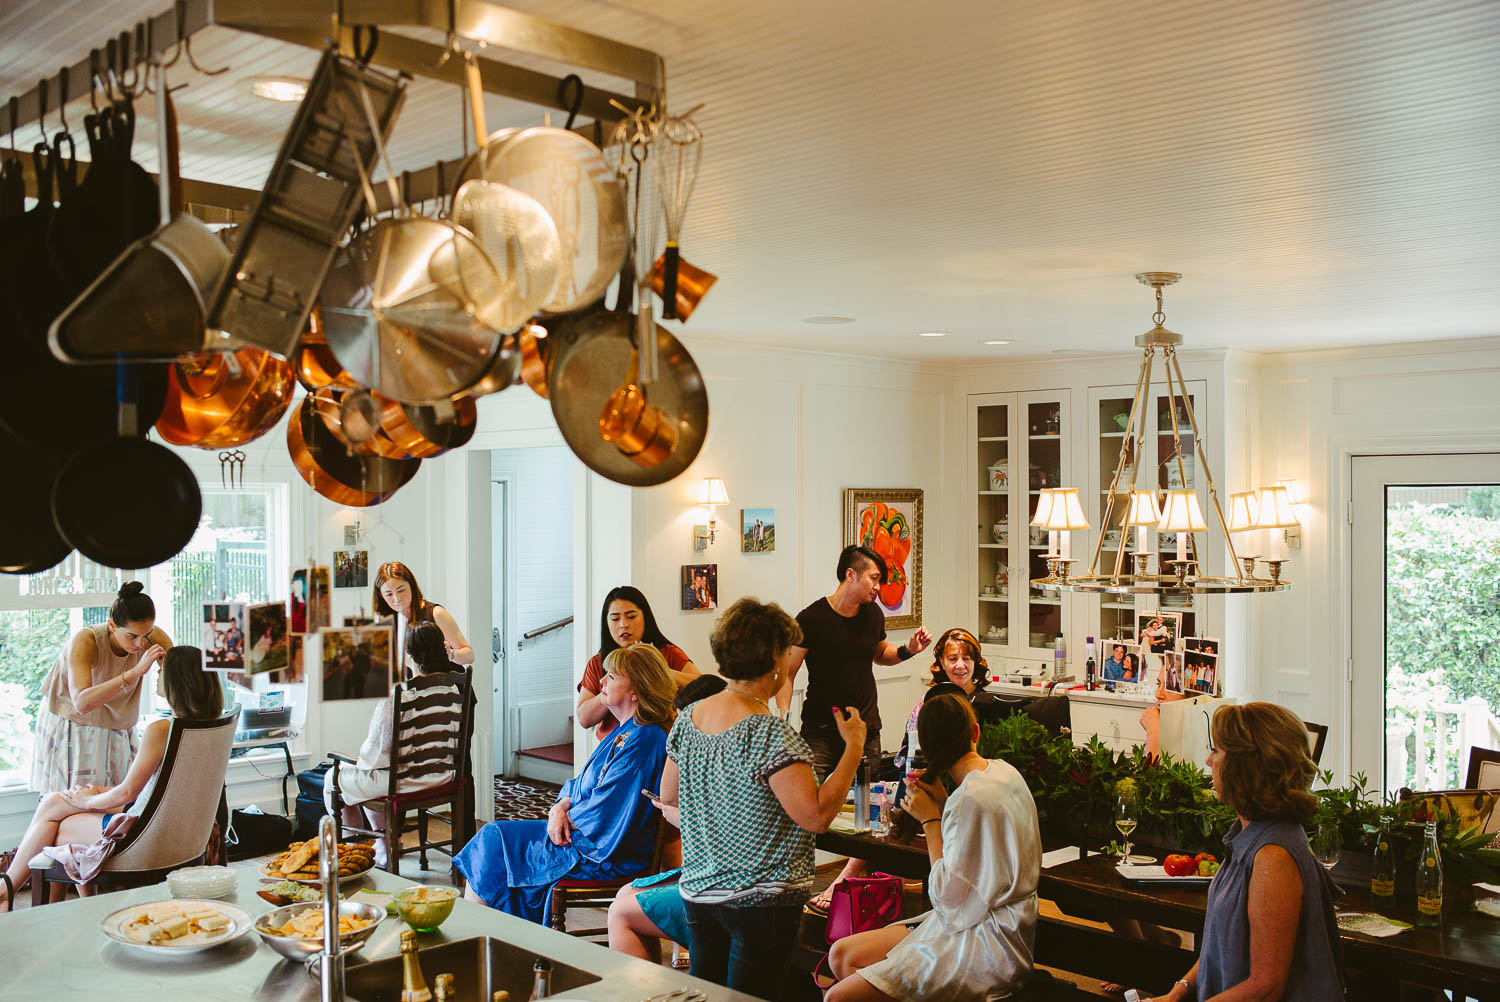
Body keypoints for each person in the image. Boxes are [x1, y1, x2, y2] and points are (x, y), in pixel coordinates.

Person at [660, 597, 867, 1001]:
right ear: (775, 657)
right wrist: (854, 748)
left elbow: (669, 796)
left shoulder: (689, 719)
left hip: (701, 893)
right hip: (760, 901)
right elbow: (817, 816)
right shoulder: (769, 734)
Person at [825, 693, 1041, 1002]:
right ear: (976, 733)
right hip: (987, 928)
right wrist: (942, 802)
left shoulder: (969, 799)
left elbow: (945, 900)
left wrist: (931, 821)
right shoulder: (1004, 773)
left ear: (926, 747)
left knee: (838, 997)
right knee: (841, 955)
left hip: (983, 946)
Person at [1134, 702, 1343, 1002]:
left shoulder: (1274, 856)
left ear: (1245, 766)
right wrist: (1177, 993)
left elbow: (1266, 987)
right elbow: (1217, 948)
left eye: (1217, 751)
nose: (1208, 761)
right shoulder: (1248, 834)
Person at [457, 643, 675, 922]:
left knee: (495, 839)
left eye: (612, 676)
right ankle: (486, 936)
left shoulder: (645, 739)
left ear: (637, 689)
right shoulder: (624, 730)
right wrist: (559, 806)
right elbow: (581, 782)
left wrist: (564, 819)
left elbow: (606, 813)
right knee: (494, 838)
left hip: (603, 852)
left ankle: (482, 935)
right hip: (585, 834)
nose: (601, 681)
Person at [3, 646, 222, 906]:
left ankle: (11, 892)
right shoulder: (213, 727)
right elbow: (155, 791)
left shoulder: (163, 730)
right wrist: (95, 791)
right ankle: (18, 892)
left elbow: (130, 792)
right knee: (55, 802)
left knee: (60, 825)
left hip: (145, 836)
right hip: (178, 829)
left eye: (162, 671)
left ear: (178, 682)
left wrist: (86, 802)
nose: (157, 676)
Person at [779, 544, 932, 911]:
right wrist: (782, 717)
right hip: (820, 731)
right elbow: (787, 671)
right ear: (851, 574)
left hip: (866, 731)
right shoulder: (811, 619)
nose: (878, 587)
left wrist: (909, 649)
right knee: (806, 810)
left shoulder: (871, 614)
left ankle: (850, 896)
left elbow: (881, 654)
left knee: (865, 815)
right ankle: (790, 885)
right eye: (874, 578)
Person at [607, 673, 728, 964]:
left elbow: (713, 831)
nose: (682, 730)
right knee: (626, 891)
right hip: (710, 872)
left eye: (686, 722)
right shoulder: (706, 760)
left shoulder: (724, 760)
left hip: (724, 886)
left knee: (621, 911)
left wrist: (671, 810)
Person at [325, 622, 466, 867]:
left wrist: (360, 760)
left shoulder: (401, 693)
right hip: (443, 778)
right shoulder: (454, 688)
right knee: (367, 778)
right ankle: (384, 843)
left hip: (403, 783)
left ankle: (356, 854)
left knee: (333, 778)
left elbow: (377, 754)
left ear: (408, 654)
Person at [29, 583, 173, 795]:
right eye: (132, 636)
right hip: (75, 721)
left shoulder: (151, 637)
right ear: (112, 626)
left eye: (147, 633)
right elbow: (82, 703)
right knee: (74, 798)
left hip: (118, 721)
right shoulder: (86, 641)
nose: (140, 643)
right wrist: (135, 672)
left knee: (118, 797)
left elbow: (181, 681)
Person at [577, 586, 700, 740]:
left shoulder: (668, 653)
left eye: (631, 616)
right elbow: (584, 718)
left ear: (645, 617)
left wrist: (657, 669)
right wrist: (611, 689)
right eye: (615, 619)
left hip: (662, 743)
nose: (623, 625)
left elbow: (702, 685)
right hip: (616, 748)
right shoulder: (597, 663)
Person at [894, 628, 1005, 777]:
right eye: (953, 659)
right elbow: (910, 752)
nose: (960, 665)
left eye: (966, 658)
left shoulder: (986, 703)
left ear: (975, 662)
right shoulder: (930, 701)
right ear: (942, 661)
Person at [372, 561, 474, 671]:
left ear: (411, 585)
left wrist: (451, 654)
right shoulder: (386, 622)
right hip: (412, 687)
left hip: (446, 685)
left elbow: (470, 656)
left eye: (401, 590)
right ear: (381, 595)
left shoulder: (436, 613)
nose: (397, 599)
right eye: (389, 594)